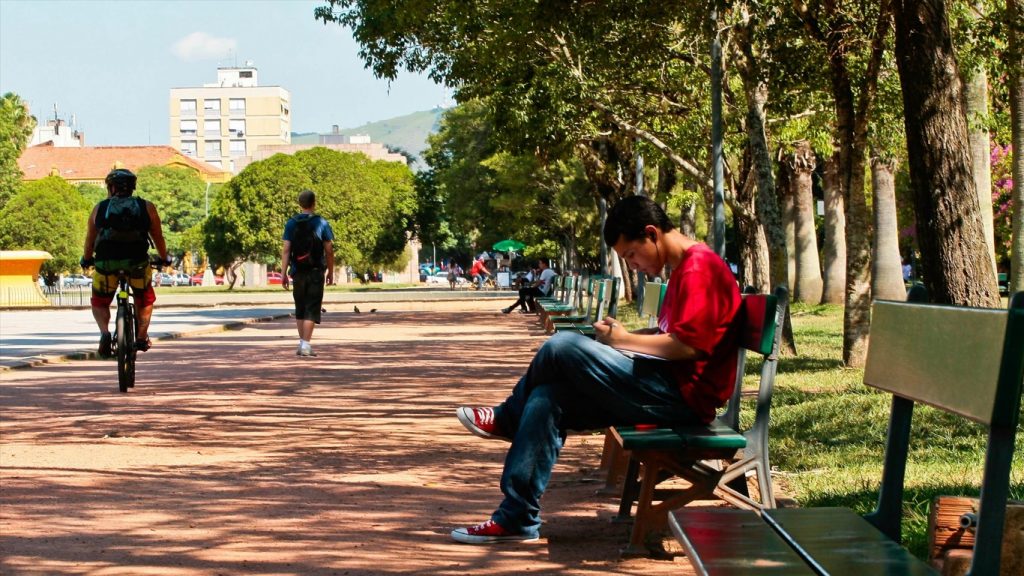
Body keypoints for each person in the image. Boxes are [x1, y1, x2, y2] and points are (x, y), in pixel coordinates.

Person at [451, 195, 742, 544]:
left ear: (651, 233)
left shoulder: (698, 268)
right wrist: (626, 336)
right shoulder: (683, 270)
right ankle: (516, 518)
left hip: (681, 397)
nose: (632, 265)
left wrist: (622, 342)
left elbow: (689, 346)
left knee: (563, 346)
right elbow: (672, 336)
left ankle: (506, 418)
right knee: (546, 398)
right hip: (660, 386)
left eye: (631, 255)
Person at [81, 168, 170, 357]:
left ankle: (105, 333)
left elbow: (90, 239)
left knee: (99, 301)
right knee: (144, 298)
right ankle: (141, 337)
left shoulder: (100, 208)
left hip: (106, 264)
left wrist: (87, 259)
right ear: (133, 188)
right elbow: (158, 237)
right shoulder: (147, 207)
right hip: (137, 263)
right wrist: (164, 257)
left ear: (111, 188)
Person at [281, 189, 335, 357]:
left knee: (300, 307)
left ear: (300, 204)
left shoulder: (291, 223)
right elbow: (329, 250)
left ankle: (302, 343)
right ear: (314, 203)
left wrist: (283, 273)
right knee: (312, 307)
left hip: (297, 271)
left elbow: (286, 249)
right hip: (315, 271)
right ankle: (305, 345)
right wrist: (330, 272)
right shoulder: (321, 223)